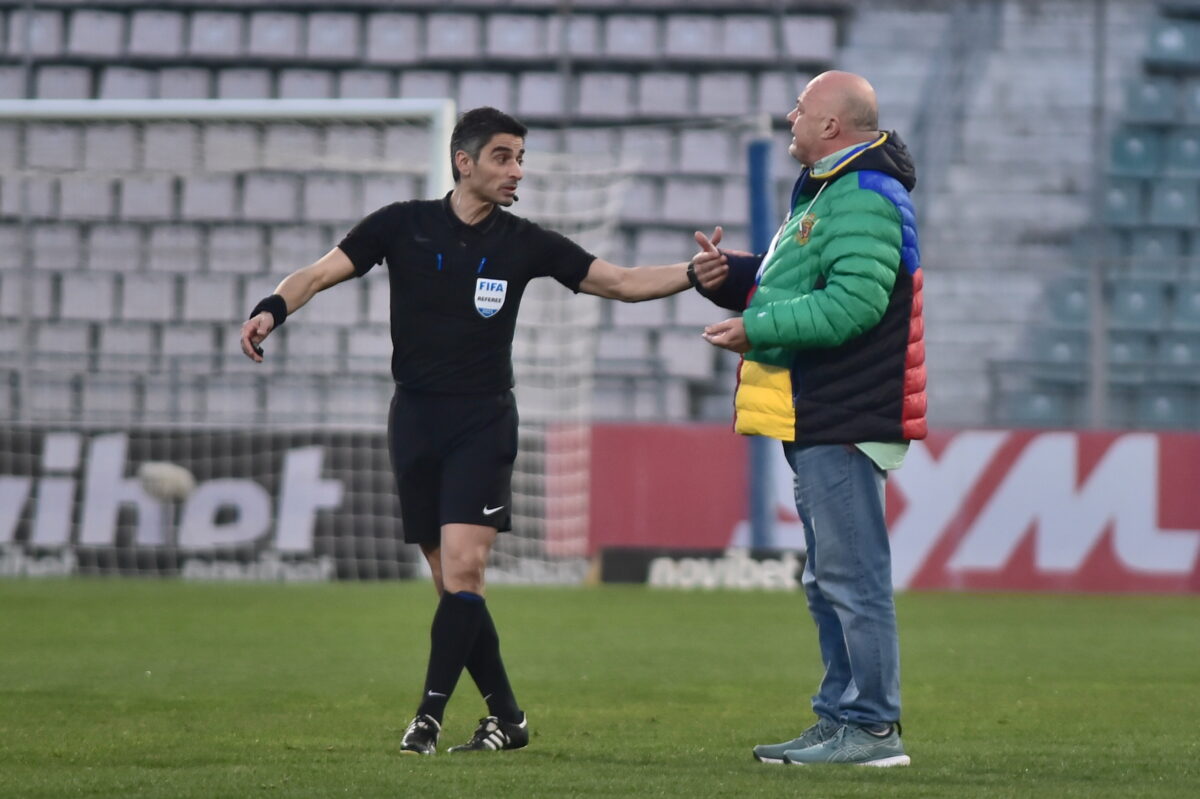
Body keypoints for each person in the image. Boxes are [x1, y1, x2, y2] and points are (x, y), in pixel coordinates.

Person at [239, 107, 725, 756]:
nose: (516, 170)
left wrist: (692, 274)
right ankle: (508, 717)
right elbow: (318, 272)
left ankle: (427, 719)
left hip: (484, 420)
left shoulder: (524, 242)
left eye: (521, 157)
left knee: (466, 570)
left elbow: (621, 282)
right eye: (503, 156)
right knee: (452, 588)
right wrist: (272, 309)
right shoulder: (401, 224)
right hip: (413, 419)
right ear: (463, 162)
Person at [691, 71, 925, 767]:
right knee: (828, 578)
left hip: (848, 411)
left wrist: (754, 325)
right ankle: (840, 716)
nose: (790, 116)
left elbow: (853, 306)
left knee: (852, 577)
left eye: (802, 108)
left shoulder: (866, 196)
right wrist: (732, 277)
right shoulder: (831, 189)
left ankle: (874, 728)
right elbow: (808, 282)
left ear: (832, 128)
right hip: (821, 410)